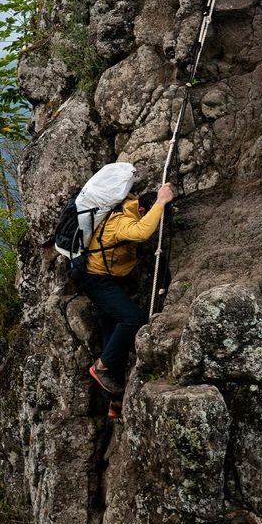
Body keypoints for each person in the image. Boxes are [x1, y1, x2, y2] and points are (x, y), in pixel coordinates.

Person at [77, 161, 174, 406]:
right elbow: (141, 232)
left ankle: (115, 402)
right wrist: (161, 203)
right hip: (97, 279)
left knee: (113, 335)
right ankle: (101, 368)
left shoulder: (127, 204)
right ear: (143, 210)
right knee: (133, 319)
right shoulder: (121, 221)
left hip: (105, 277)